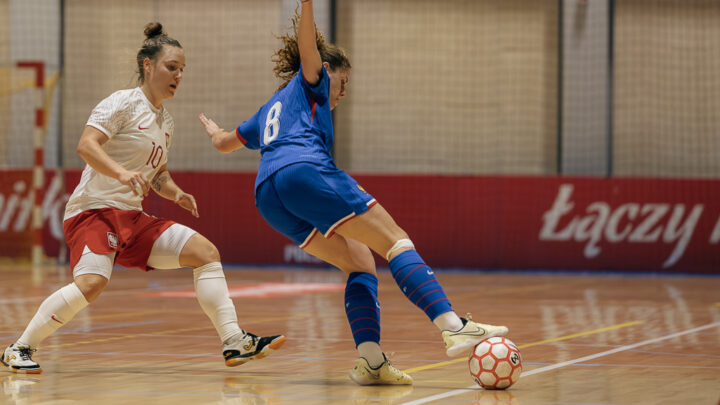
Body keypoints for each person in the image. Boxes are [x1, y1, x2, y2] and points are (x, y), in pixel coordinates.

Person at [198, 0, 508, 386]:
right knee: (395, 241)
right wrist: (309, 5)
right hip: (304, 170)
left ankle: (372, 362)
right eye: (342, 83)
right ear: (327, 72)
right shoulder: (312, 81)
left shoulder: (270, 108)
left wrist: (214, 134)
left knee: (359, 261)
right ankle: (453, 325)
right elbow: (308, 47)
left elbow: (227, 143)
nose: (342, 93)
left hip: (267, 194)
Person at [1, 22, 285, 375]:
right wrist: (121, 174)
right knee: (92, 284)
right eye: (171, 67)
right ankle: (19, 347)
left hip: (132, 219)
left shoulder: (165, 121)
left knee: (205, 253)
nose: (178, 75)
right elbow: (86, 146)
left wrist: (175, 192)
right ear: (148, 65)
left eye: (182, 69)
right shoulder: (121, 102)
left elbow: (158, 175)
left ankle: (233, 341)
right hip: (93, 212)